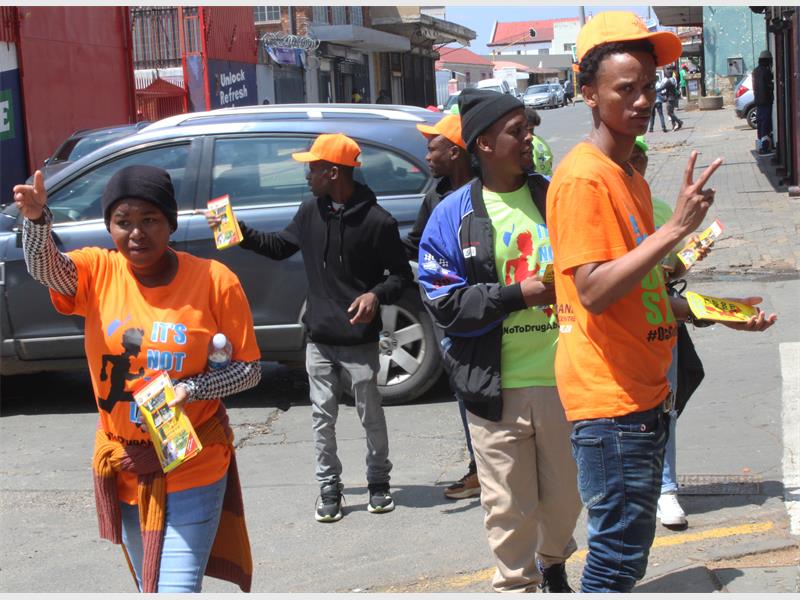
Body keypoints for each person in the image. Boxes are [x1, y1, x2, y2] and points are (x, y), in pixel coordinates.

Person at [546, 11, 777, 592]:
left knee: (628, 550)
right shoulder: (583, 178)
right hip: (611, 403)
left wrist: (719, 312)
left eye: (649, 85)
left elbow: (643, 291)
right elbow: (595, 292)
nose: (643, 99)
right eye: (626, 88)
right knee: (616, 558)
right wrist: (672, 230)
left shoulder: (629, 175)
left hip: (644, 395)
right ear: (589, 93)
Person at [13, 165, 261, 592]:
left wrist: (192, 388)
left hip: (192, 460)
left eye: (149, 220)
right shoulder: (98, 271)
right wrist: (37, 222)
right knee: (150, 587)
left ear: (170, 224)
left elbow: (249, 370)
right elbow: (48, 269)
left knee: (176, 589)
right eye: (123, 222)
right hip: (127, 465)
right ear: (109, 225)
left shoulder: (215, 281)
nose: (136, 233)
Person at [419, 88, 582, 593]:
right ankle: (518, 582)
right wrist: (517, 294)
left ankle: (553, 562)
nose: (529, 136)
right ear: (484, 143)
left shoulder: (555, 196)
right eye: (517, 130)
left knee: (565, 500)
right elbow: (442, 302)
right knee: (508, 505)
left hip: (566, 380)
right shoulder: (452, 214)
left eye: (528, 127)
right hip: (495, 388)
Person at [206, 133, 413, 523]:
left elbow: (400, 277)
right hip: (318, 338)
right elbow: (280, 246)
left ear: (333, 172)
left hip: (358, 341)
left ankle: (378, 481)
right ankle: (329, 487)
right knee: (322, 417)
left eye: (313, 167)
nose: (307, 174)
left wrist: (375, 295)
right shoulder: (309, 211)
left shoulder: (377, 221)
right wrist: (237, 230)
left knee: (370, 416)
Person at [402, 114, 480, 500]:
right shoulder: (434, 195)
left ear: (455, 151)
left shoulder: (491, 188)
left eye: (432, 147)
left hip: (499, 309)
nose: (427, 155)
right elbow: (415, 244)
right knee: (468, 391)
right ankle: (479, 468)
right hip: (455, 316)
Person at [752, 50, 774, 155]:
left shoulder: (755, 71)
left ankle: (761, 146)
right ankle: (765, 148)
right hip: (766, 102)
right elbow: (769, 87)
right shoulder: (767, 72)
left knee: (760, 125)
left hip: (758, 102)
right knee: (766, 124)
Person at [524, 107, 554, 177]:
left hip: (536, 182)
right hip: (549, 179)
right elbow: (550, 162)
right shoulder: (541, 141)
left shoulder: (527, 144)